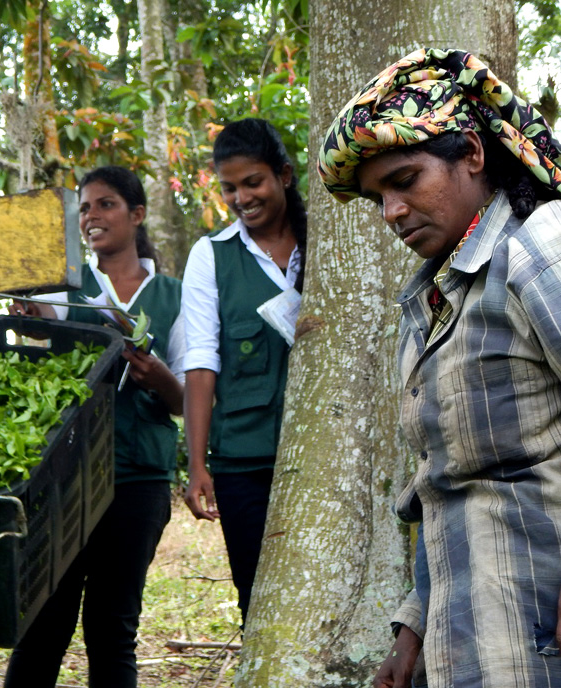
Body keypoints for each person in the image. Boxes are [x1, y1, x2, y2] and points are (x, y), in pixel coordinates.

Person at [317, 47, 561, 688]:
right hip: (469, 645)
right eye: (377, 199)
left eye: (405, 180)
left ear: (473, 155)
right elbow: (441, 487)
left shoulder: (540, 250)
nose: (392, 212)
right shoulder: (431, 300)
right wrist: (412, 632)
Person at [0, 166, 185, 687]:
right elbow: (29, 342)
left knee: (112, 627)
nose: (91, 216)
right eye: (83, 208)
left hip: (139, 478)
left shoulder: (175, 294)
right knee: (43, 620)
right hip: (65, 476)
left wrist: (156, 376)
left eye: (105, 204)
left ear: (137, 214)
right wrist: (23, 311)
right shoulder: (66, 289)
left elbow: (184, 399)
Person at [181, 118, 307, 626]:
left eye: (252, 182)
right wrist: (197, 464)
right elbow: (200, 360)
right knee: (257, 598)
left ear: (284, 175)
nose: (241, 197)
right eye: (229, 188)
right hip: (243, 463)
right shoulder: (210, 256)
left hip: (318, 450)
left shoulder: (327, 244)